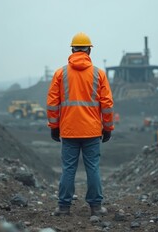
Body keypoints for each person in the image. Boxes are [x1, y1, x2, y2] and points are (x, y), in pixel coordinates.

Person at [46, 32, 114, 216]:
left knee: (68, 168)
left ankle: (63, 207)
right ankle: (96, 208)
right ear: (89, 51)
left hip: (68, 130)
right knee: (93, 168)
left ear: (72, 50)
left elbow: (52, 103)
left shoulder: (61, 73)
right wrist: (107, 128)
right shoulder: (99, 74)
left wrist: (54, 126)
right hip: (92, 131)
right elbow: (107, 104)